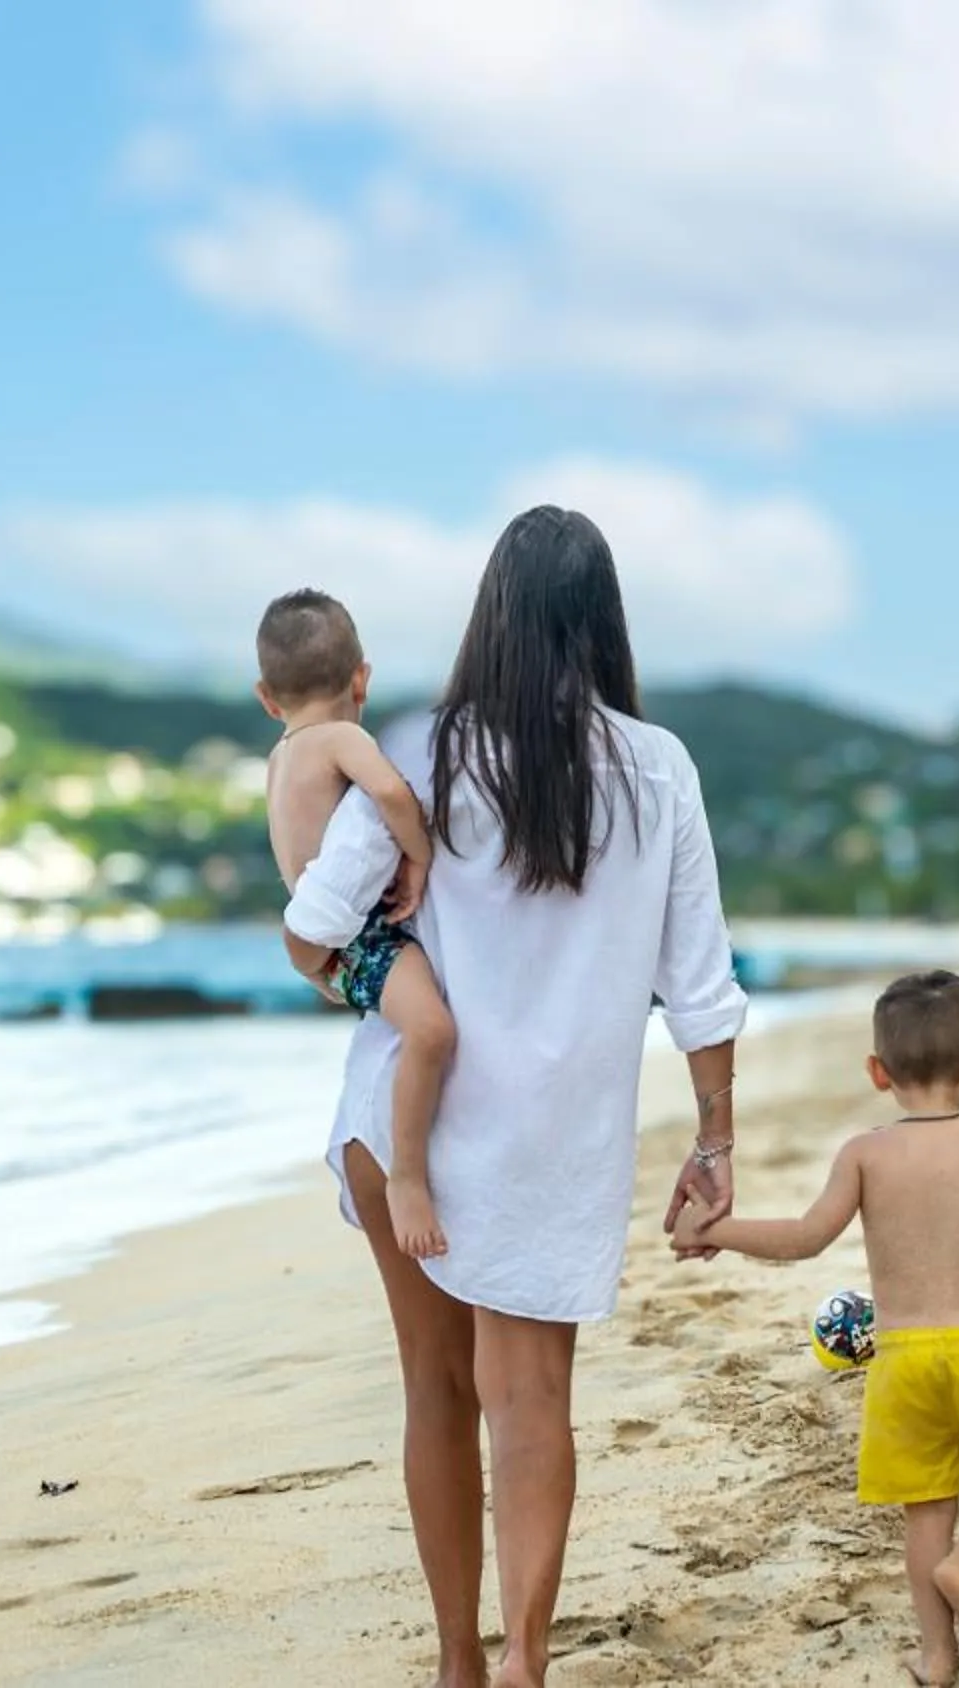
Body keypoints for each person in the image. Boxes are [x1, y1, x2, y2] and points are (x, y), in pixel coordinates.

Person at [281, 508, 749, 1688]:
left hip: (410, 1130)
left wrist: (384, 988)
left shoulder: (421, 754)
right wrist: (716, 1139)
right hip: (555, 1141)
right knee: (531, 1399)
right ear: (603, 621)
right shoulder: (659, 767)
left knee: (437, 1390)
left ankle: (457, 1662)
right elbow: (699, 985)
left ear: (489, 615)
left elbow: (313, 925)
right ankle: (528, 1659)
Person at [673, 971, 959, 1687]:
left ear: (877, 1072)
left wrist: (719, 1231)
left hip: (902, 1363)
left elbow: (803, 1237)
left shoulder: (864, 1152)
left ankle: (938, 1656)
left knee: (927, 1506)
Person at [255, 588, 459, 1258]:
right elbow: (394, 792)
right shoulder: (341, 738)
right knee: (431, 1032)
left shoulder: (280, 758)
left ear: (266, 696)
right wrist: (420, 854)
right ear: (360, 678)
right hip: (363, 938)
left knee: (422, 1029)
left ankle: (403, 1167)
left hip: (327, 944)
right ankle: (407, 1175)